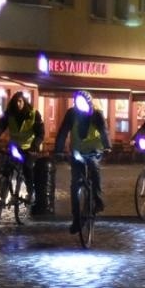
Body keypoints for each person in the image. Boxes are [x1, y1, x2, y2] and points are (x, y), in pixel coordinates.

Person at [53, 90, 111, 234]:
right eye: (77, 102)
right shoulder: (71, 114)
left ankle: (97, 200)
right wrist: (58, 150)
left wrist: (107, 146)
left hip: (94, 150)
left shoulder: (97, 115)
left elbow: (104, 131)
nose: (79, 105)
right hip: (77, 152)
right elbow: (63, 132)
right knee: (75, 184)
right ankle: (76, 219)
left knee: (94, 166)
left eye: (83, 102)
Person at [0, 91, 45, 199]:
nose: (18, 104)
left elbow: (40, 133)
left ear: (24, 101)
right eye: (16, 102)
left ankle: (31, 192)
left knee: (27, 168)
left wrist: (35, 145)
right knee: (6, 167)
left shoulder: (33, 114)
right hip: (15, 147)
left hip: (29, 148)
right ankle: (1, 193)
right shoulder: (10, 114)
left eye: (20, 101)